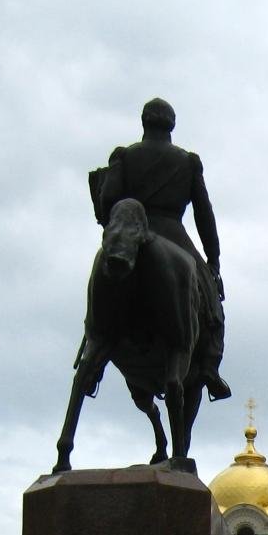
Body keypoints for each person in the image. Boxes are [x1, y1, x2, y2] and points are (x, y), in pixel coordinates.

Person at [96, 98, 230, 402]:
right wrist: (214, 263)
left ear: (144, 123)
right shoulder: (187, 162)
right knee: (214, 310)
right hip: (174, 233)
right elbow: (203, 216)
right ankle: (210, 368)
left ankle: (92, 357)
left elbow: (109, 201)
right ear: (171, 126)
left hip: (132, 237)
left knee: (102, 292)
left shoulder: (123, 157)